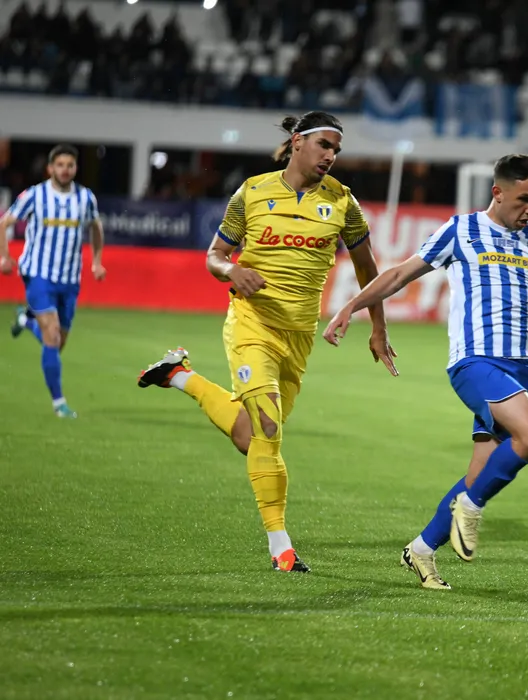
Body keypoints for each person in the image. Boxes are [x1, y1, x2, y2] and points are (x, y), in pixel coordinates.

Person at [323, 154, 528, 590]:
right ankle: (471, 506)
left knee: (480, 472)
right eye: (524, 199)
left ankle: (421, 549)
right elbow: (401, 274)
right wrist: (350, 306)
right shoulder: (461, 230)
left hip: (521, 368)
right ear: (497, 192)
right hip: (476, 362)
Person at [136, 111, 398, 573]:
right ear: (297, 142)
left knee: (249, 436)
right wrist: (232, 270)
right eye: (324, 145)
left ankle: (178, 376)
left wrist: (378, 327)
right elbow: (215, 256)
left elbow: (367, 269)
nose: (331, 156)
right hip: (251, 324)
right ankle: (282, 548)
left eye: (336, 149)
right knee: (269, 431)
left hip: (299, 336)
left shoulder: (343, 202)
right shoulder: (252, 192)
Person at [0, 144, 106, 419]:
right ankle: (59, 404)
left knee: (57, 343)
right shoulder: (35, 195)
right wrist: (4, 257)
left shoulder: (85, 198)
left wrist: (96, 261)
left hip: (69, 279)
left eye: (70, 165)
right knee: (53, 333)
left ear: (75, 168)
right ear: (50, 168)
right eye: (60, 165)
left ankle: (26, 321)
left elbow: (96, 227)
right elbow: (4, 222)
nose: (65, 170)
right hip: (38, 273)